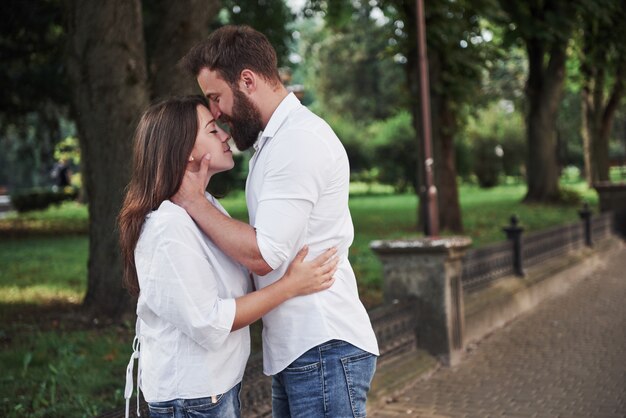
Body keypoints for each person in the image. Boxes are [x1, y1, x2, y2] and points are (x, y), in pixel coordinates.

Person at [174, 25, 379, 417]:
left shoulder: (297, 142)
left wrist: (194, 203)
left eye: (216, 97)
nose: (215, 112)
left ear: (247, 80)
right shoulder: (273, 142)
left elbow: (265, 254)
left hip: (322, 345)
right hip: (302, 349)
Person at [118, 95, 339, 418]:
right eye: (212, 130)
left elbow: (237, 282)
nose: (224, 135)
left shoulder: (205, 208)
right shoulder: (168, 226)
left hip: (215, 388)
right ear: (188, 150)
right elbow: (208, 322)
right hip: (190, 398)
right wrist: (290, 286)